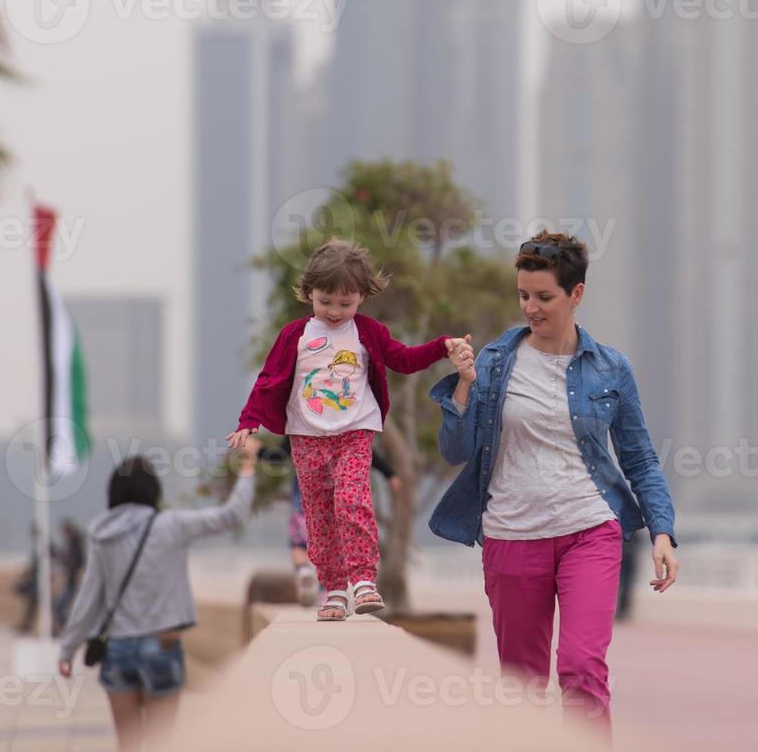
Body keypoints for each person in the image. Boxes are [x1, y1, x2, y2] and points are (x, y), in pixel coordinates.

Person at [427, 230, 679, 730]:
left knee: (582, 668)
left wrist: (662, 531)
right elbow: (455, 451)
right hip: (513, 536)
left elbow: (640, 458)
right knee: (521, 686)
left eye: (544, 297)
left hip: (590, 530)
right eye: (524, 295)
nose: (531, 308)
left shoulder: (611, 368)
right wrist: (462, 387)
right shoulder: (495, 364)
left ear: (576, 294)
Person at [226, 239, 468, 620]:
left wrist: (442, 347)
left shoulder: (366, 332)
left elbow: (402, 360)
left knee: (351, 498)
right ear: (308, 293)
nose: (335, 311)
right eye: (325, 301)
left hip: (354, 432)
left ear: (361, 298)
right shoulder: (295, 335)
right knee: (319, 516)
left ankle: (363, 580)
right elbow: (269, 380)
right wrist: (248, 421)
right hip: (306, 437)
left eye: (346, 303)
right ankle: (334, 590)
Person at [57, 437, 259, 751]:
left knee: (128, 743)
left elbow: (88, 597)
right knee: (163, 743)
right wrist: (248, 466)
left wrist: (68, 649)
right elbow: (231, 515)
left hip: (117, 648)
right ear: (153, 491)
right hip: (161, 644)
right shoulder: (171, 525)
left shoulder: (100, 532)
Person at [260, 435, 404, 606]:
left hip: (305, 495)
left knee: (298, 543)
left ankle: (304, 571)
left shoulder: (300, 425)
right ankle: (326, 592)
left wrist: (257, 450)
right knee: (333, 541)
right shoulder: (343, 426)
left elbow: (278, 456)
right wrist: (390, 474)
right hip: (339, 495)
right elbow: (364, 450)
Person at [53, 518, 86, 633]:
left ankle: (66, 630)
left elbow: (74, 563)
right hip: (72, 582)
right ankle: (65, 630)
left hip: (73, 582)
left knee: (59, 607)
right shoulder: (74, 545)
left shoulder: (75, 546)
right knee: (62, 607)